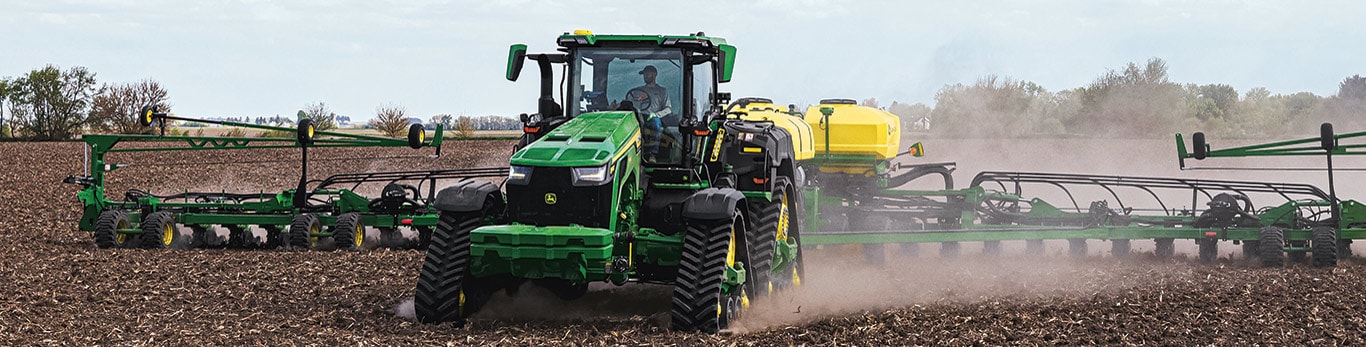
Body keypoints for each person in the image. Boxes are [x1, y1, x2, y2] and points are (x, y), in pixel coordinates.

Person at [624, 65, 671, 161]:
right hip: (637, 116)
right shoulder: (637, 91)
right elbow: (629, 102)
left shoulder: (662, 91)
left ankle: (652, 153)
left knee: (656, 124)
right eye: (644, 74)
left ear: (654, 75)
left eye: (648, 74)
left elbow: (668, 109)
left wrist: (657, 114)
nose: (645, 76)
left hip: (651, 117)